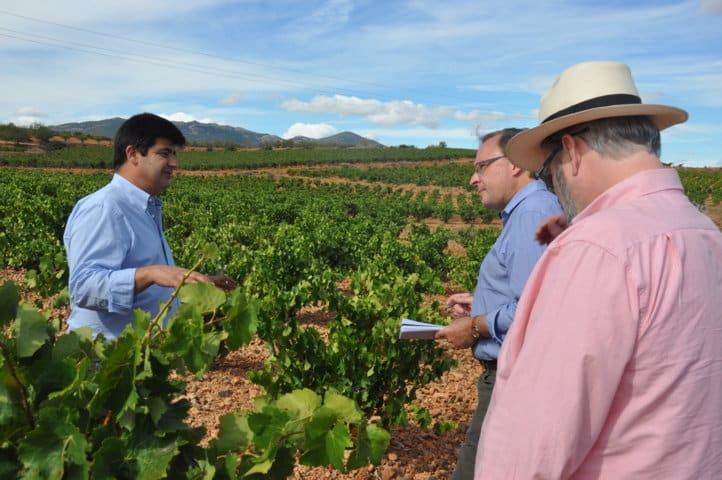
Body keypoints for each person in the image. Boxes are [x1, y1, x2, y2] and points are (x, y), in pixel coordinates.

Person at [475, 61, 722, 478]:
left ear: (570, 151)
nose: (554, 183)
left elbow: (532, 446)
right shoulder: (704, 233)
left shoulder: (595, 247)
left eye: (550, 168)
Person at [435, 128, 562, 479]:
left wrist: (476, 326)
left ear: (517, 165)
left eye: (482, 166)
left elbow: (538, 308)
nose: (473, 179)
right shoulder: (532, 211)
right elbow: (535, 290)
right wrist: (482, 302)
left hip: (513, 380)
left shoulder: (531, 214)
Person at [63, 113, 236, 340]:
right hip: (105, 363)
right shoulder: (105, 208)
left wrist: (197, 283)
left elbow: (148, 279)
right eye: (165, 153)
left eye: (174, 154)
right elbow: (83, 287)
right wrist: (152, 273)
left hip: (136, 358)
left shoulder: (144, 208)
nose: (174, 163)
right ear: (133, 154)